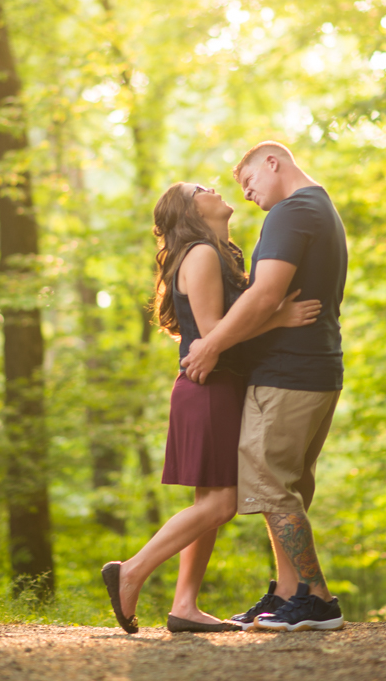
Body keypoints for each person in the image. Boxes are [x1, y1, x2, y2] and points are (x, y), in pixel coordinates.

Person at [101, 180, 320, 634]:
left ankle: (185, 605)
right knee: (220, 504)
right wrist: (278, 316)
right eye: (201, 188)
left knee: (209, 503)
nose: (216, 187)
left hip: (219, 387)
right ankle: (132, 571)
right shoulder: (200, 253)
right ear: (189, 211)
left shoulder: (219, 253)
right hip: (209, 387)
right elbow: (213, 330)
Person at [182, 142, 347, 632]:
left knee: (271, 483)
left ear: (273, 162)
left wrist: (211, 346)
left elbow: (265, 294)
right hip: (314, 371)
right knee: (287, 485)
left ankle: (316, 597)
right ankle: (286, 592)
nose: (247, 193)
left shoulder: (292, 212)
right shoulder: (319, 208)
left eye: (249, 179)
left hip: (290, 376)